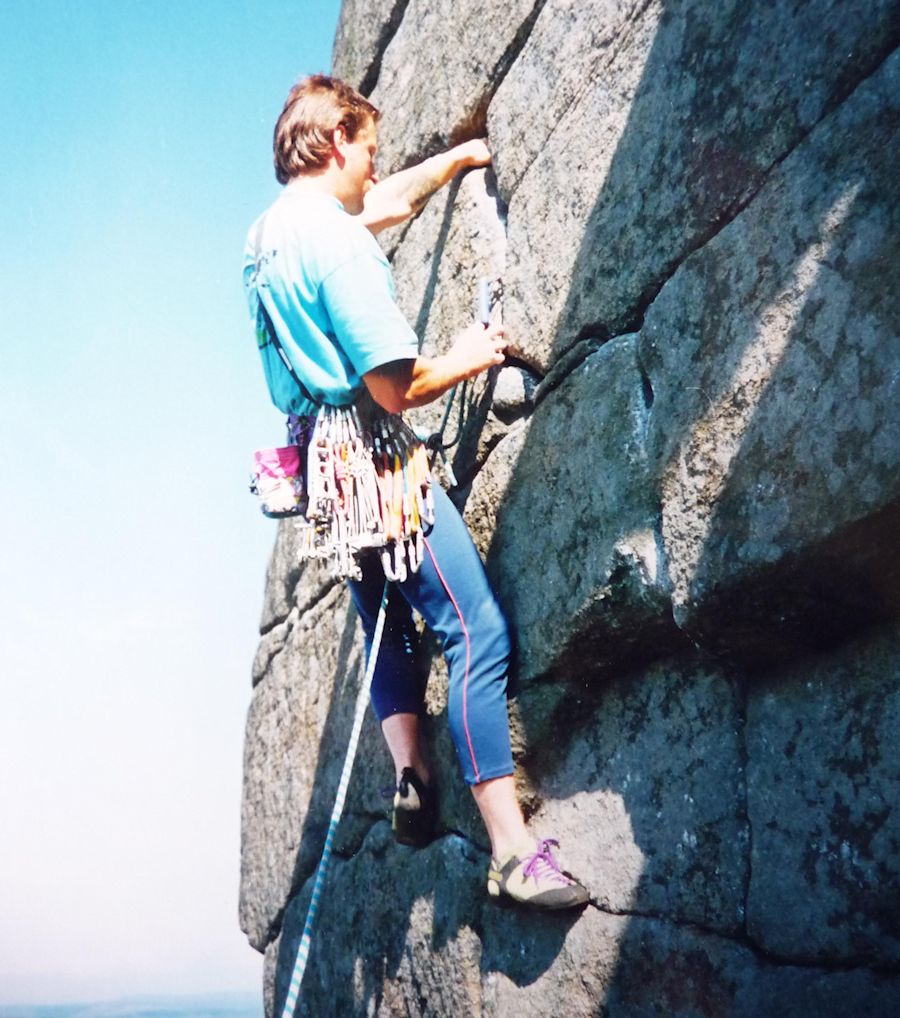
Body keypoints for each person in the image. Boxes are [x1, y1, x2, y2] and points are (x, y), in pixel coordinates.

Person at [244, 74, 588, 911]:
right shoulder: (338, 244)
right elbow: (399, 385)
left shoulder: (270, 234)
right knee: (476, 633)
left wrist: (460, 158)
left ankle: (411, 772)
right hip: (376, 461)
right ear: (335, 146)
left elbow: (379, 203)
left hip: (326, 474)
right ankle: (511, 850)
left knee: (389, 623)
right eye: (366, 149)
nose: (373, 167)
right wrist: (474, 351)